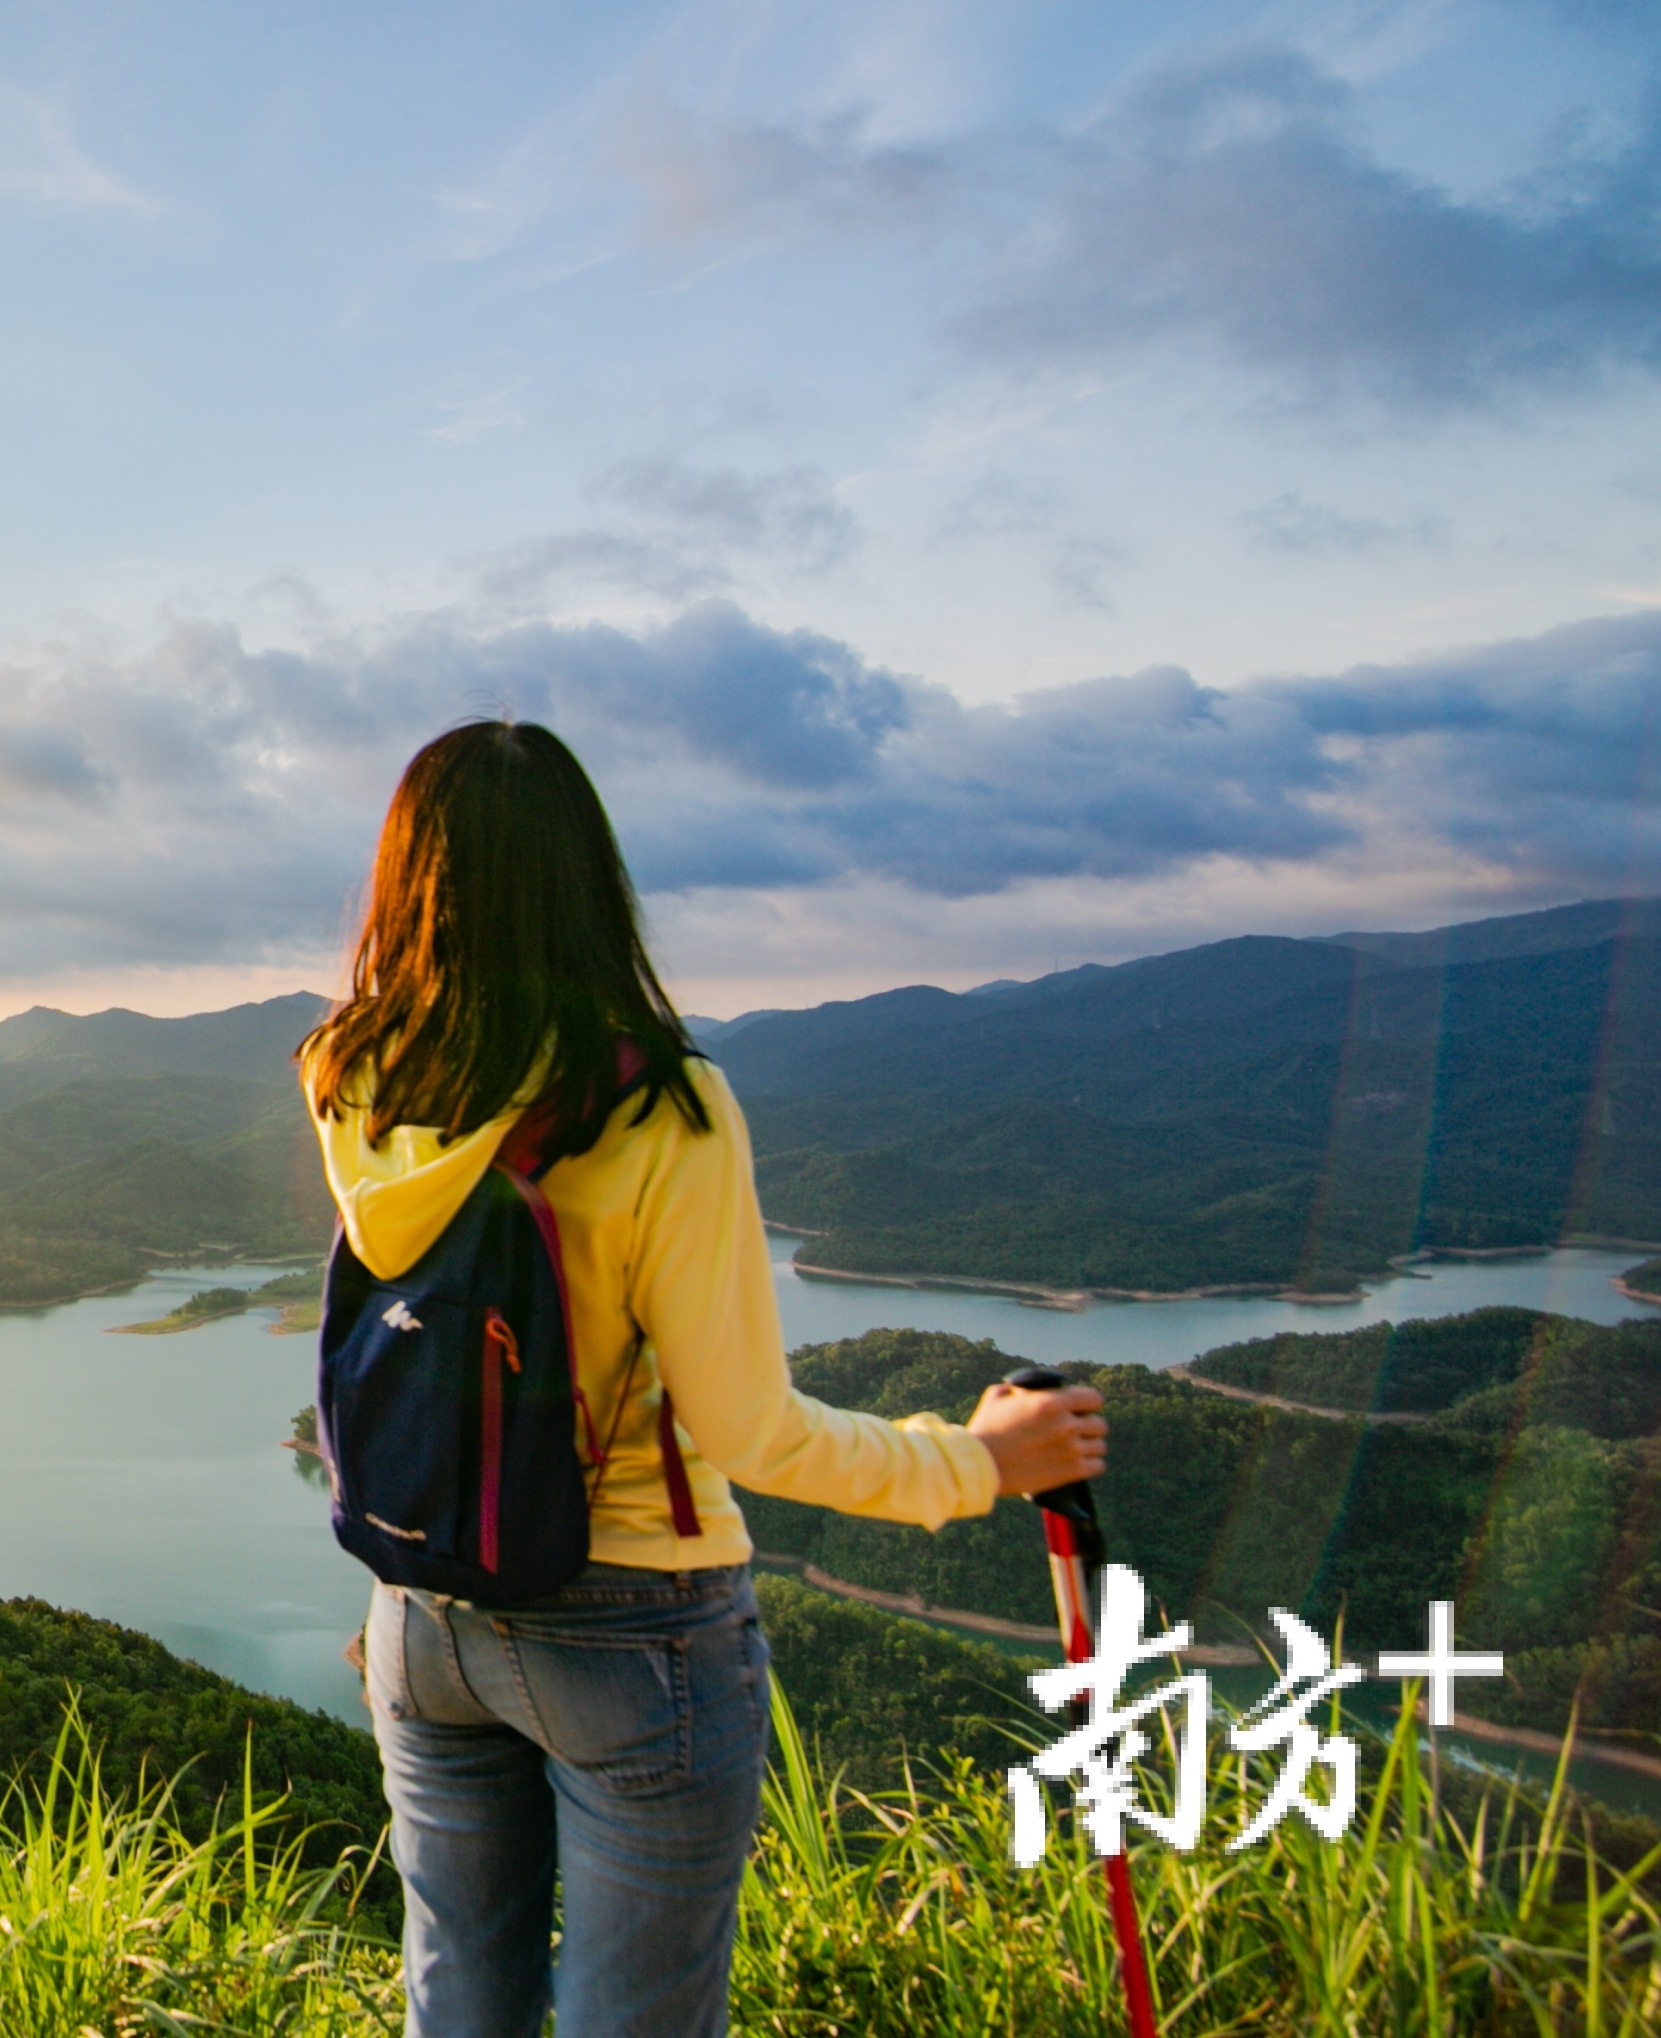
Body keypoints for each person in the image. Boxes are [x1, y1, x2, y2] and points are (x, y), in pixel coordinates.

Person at [303, 719, 1107, 2038]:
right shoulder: (659, 1108)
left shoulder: (363, 1081)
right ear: (589, 881)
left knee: (459, 2002)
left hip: (423, 1607)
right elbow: (749, 1428)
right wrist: (980, 1463)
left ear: (407, 882)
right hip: (633, 1627)